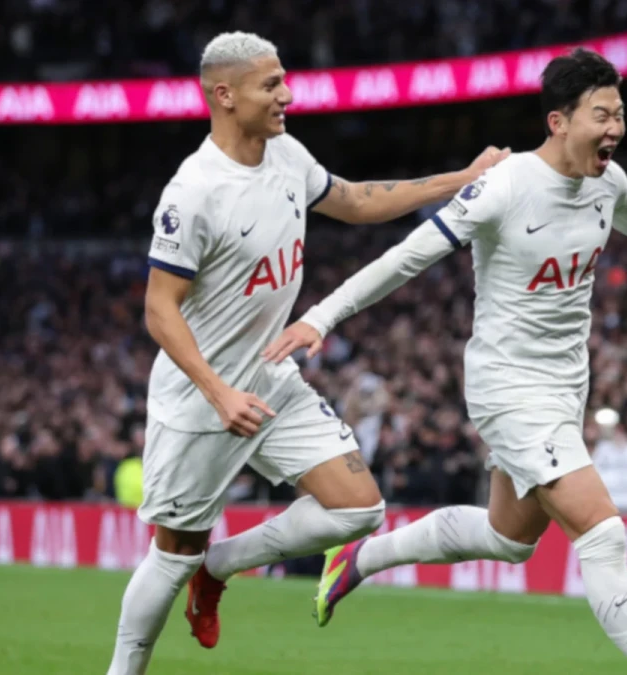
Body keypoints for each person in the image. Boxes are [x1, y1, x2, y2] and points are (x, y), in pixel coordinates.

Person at [264, 48, 627, 674]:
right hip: (508, 387)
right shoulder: (506, 186)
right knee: (603, 533)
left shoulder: (606, 180)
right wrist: (321, 315)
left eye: (620, 114)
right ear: (559, 122)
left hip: (566, 386)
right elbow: (407, 257)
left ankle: (361, 558)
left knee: (509, 538)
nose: (615, 128)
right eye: (602, 115)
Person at [107, 31, 507, 675]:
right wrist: (218, 392)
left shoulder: (286, 153)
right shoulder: (194, 191)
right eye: (271, 84)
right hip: (202, 401)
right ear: (225, 95)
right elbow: (159, 309)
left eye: (284, 80)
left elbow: (355, 200)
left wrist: (460, 181)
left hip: (270, 376)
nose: (287, 94)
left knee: (358, 509)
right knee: (172, 554)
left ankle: (219, 568)